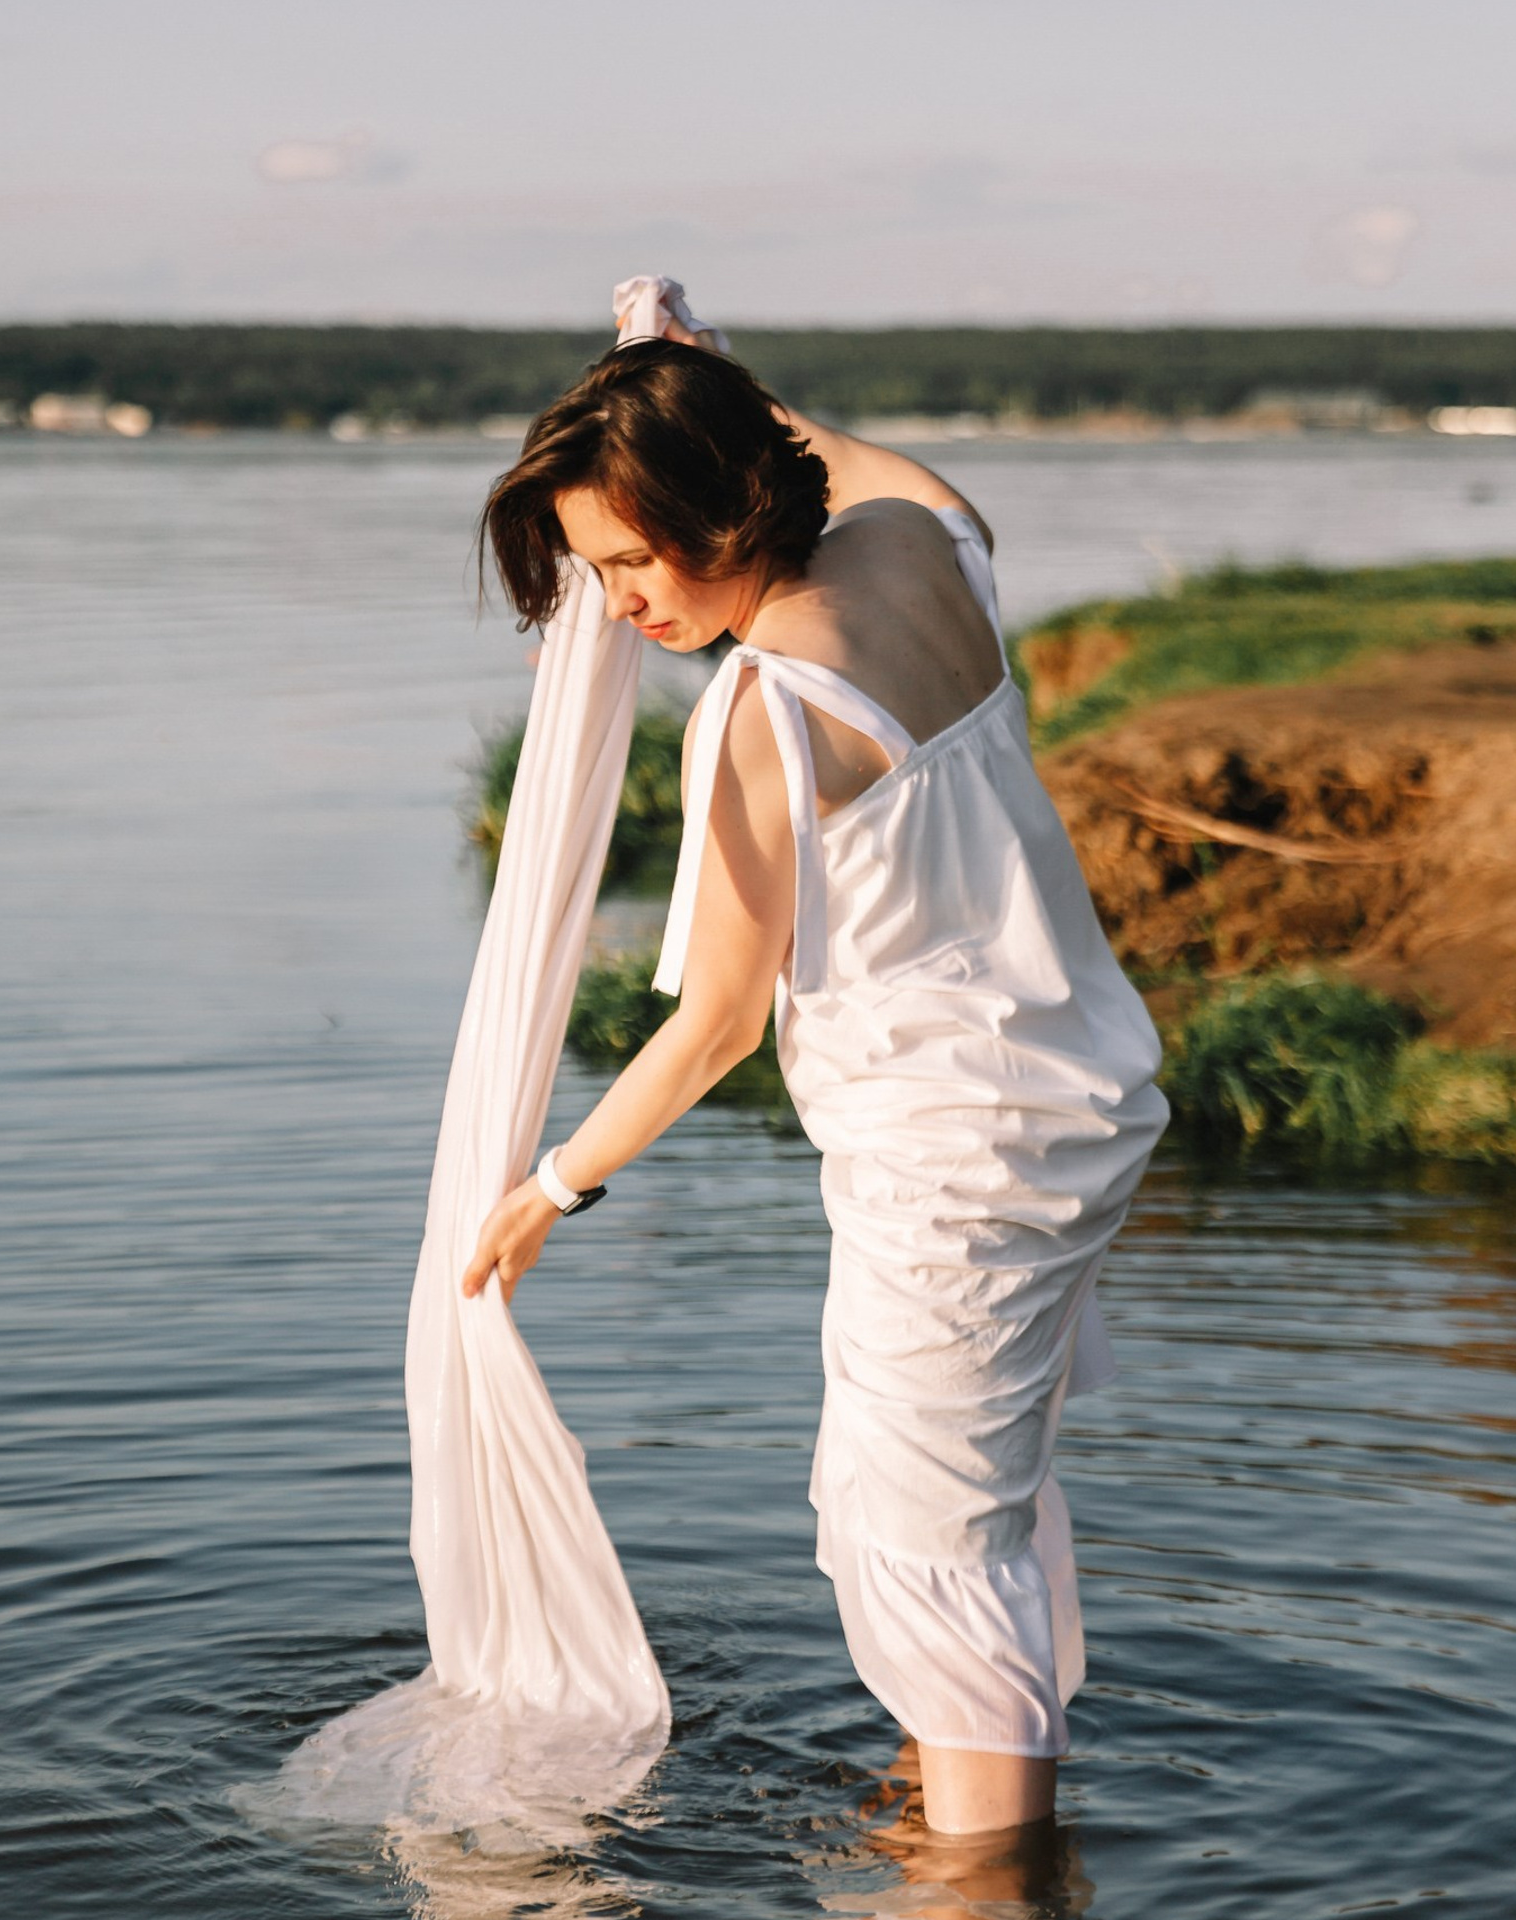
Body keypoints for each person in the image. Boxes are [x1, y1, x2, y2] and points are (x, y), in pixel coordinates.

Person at [462, 323, 1169, 1840]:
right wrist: (741, 395)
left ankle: (985, 1869)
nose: (624, 604)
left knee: (927, 1538)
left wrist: (551, 1187)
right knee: (945, 1497)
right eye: (598, 571)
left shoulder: (763, 711)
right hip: (1062, 1111)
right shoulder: (915, 553)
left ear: (729, 509)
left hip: (952, 1165)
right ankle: (947, 1792)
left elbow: (712, 1023)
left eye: (637, 561)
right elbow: (898, 481)